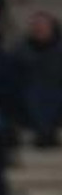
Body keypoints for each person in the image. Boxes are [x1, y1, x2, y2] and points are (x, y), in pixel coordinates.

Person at [15, 12, 62, 148]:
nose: (39, 28)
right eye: (36, 25)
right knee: (33, 95)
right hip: (28, 99)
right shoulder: (20, 50)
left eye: (43, 25)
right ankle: (46, 132)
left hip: (57, 96)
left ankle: (44, 132)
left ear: (53, 27)